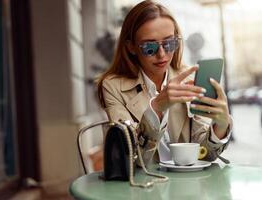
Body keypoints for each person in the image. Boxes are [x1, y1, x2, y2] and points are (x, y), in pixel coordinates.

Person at [97, 0, 232, 165]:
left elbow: (204, 156)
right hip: (141, 186)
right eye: (149, 47)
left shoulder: (190, 80)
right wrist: (157, 107)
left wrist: (221, 125)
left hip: (186, 186)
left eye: (169, 43)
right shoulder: (112, 86)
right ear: (131, 47)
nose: (162, 54)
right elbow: (130, 158)